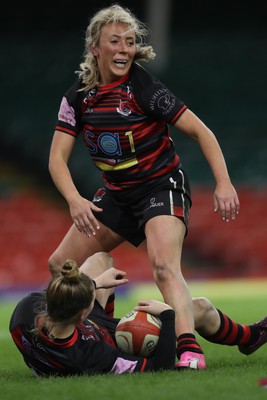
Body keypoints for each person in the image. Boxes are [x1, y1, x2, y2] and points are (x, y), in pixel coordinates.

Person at [47, 4, 240, 370]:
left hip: (160, 186)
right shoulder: (77, 98)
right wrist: (74, 200)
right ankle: (94, 334)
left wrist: (224, 182)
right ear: (95, 47)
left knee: (164, 266)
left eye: (131, 42)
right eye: (115, 41)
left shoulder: (145, 88)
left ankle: (189, 351)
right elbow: (57, 159)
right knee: (60, 264)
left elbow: (202, 132)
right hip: (118, 192)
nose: (123, 49)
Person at [10, 253, 267, 376]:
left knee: (100, 259)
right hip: (119, 340)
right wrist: (166, 316)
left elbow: (65, 295)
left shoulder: (23, 314)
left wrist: (97, 283)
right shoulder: (94, 358)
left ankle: (98, 293)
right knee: (199, 307)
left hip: (85, 329)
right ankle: (250, 337)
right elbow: (160, 367)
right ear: (80, 314)